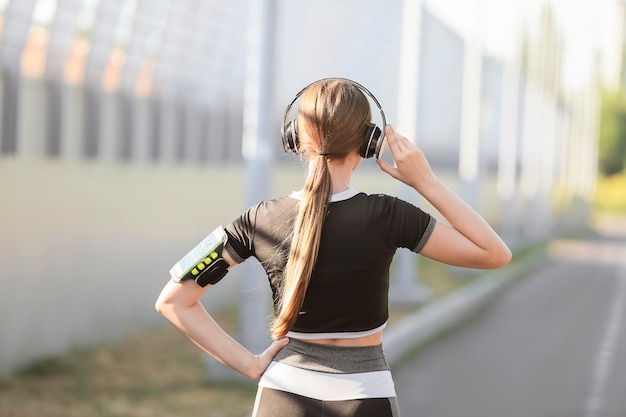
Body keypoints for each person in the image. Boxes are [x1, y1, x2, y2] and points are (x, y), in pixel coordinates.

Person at [155, 78, 512, 417]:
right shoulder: (388, 215)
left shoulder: (259, 219)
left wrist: (249, 364)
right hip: (365, 398)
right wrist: (426, 181)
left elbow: (173, 301)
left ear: (296, 138)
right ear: (369, 142)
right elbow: (495, 254)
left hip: (281, 398)